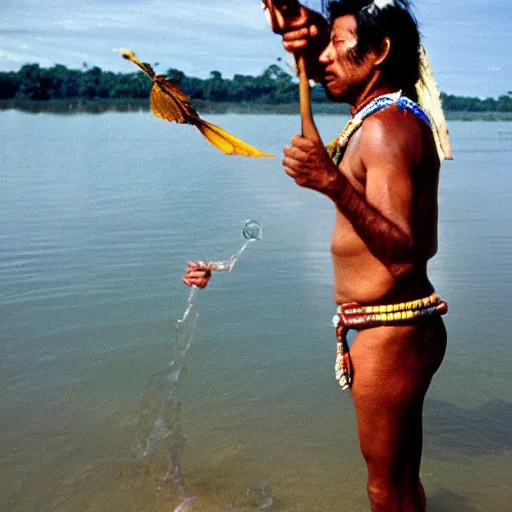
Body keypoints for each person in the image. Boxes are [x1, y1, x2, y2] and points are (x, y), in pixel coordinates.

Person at [183, 1, 449, 510]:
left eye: (338, 44)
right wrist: (301, 47)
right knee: (401, 483)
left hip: (388, 333)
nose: (325, 56)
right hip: (391, 329)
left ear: (379, 53)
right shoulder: (377, 118)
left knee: (384, 489)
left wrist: (330, 182)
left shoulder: (386, 127)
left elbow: (406, 252)